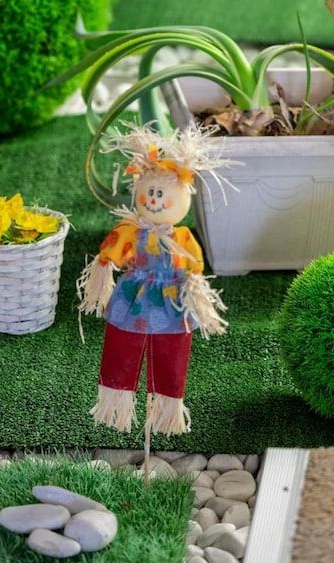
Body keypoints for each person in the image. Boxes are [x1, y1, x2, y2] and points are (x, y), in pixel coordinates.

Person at [77, 123, 229, 436]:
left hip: (170, 300)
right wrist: (103, 267)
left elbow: (194, 267)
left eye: (161, 194)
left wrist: (194, 289)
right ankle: (117, 399)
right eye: (150, 192)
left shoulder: (182, 238)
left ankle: (165, 408)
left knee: (169, 352)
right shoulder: (131, 232)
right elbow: (111, 254)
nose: (154, 200)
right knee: (123, 346)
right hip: (134, 296)